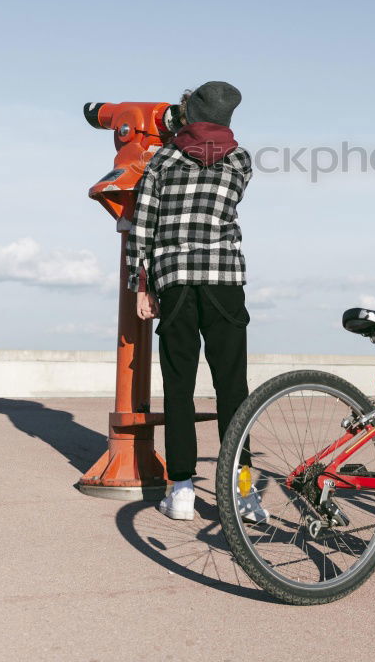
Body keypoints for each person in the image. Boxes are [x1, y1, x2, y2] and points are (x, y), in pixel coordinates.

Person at [126, 81, 267, 523]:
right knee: (233, 389)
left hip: (176, 280)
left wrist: (141, 285)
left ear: (190, 113)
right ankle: (242, 492)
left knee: (180, 388)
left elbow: (142, 224)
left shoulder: (164, 158)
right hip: (225, 277)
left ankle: (182, 489)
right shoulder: (241, 159)